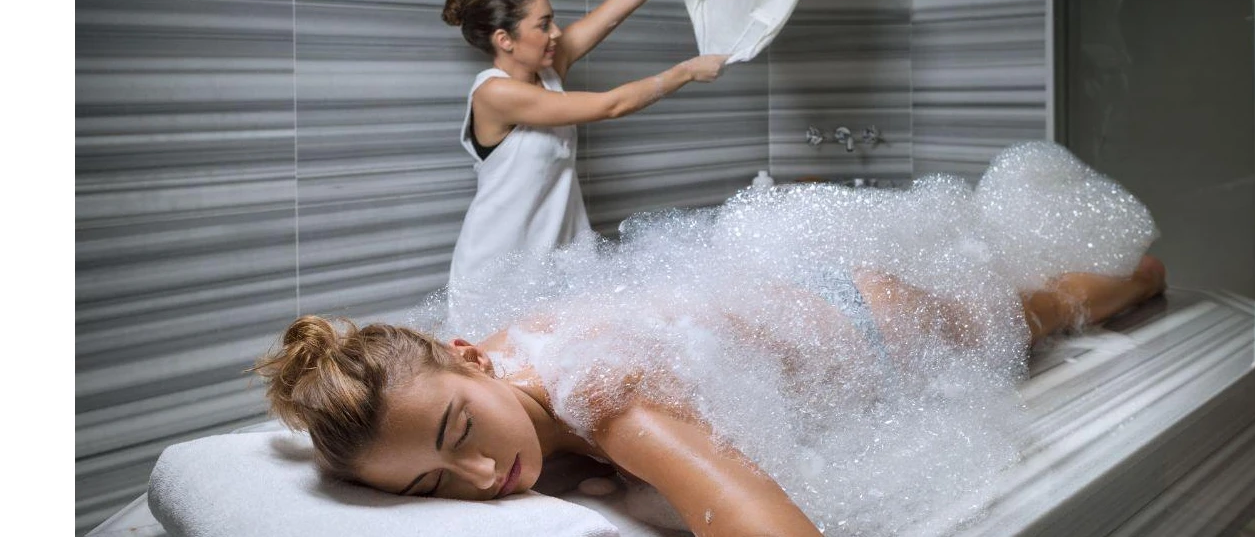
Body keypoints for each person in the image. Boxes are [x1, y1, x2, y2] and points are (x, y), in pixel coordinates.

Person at [254, 253, 1167, 536]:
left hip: (869, 324)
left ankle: (1135, 277)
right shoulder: (450, 378)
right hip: (776, 307)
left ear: (471, 361)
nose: (483, 474)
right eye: (430, 484)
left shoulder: (603, 388)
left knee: (1034, 314)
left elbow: (760, 523)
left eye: (461, 432)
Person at [441, 0, 730, 318]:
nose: (557, 33)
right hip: (500, 269)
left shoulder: (548, 71)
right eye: (543, 25)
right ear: (505, 39)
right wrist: (685, 72)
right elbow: (611, 105)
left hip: (557, 262)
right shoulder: (495, 93)